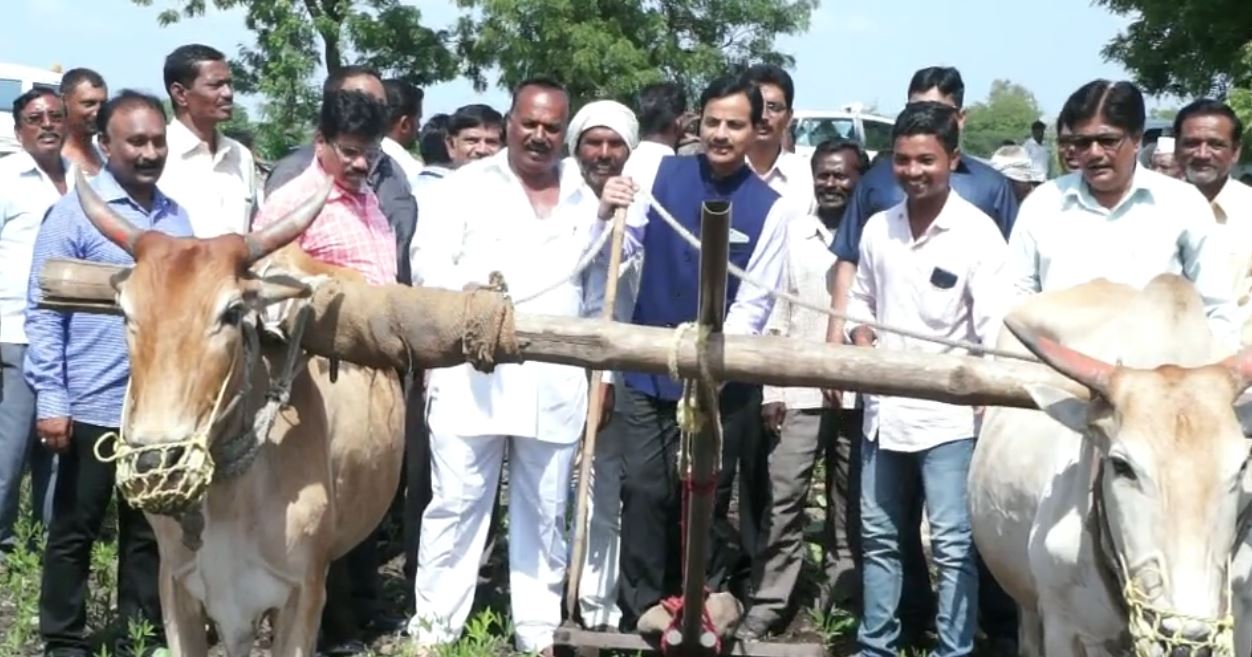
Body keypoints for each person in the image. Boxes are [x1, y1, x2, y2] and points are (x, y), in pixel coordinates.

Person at [409, 77, 608, 656]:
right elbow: (426, 262)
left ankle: (539, 632)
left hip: (556, 379)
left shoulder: (587, 192)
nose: (540, 137)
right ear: (510, 122)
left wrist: (605, 375)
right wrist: (462, 292)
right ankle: (434, 633)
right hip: (472, 375)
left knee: (546, 508)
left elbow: (601, 287)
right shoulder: (464, 186)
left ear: (563, 132)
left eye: (552, 127)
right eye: (530, 124)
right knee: (456, 503)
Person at [824, 65, 1019, 652]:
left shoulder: (979, 233)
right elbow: (860, 302)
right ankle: (876, 643)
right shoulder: (879, 228)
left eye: (926, 160)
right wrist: (861, 345)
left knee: (955, 544)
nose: (913, 172)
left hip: (953, 420)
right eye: (903, 160)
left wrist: (986, 411)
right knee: (880, 537)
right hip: (884, 412)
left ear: (952, 159)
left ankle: (953, 647)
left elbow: (992, 331)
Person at [597, 73, 793, 631]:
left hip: (720, 380)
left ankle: (700, 604)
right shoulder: (659, 173)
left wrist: (704, 370)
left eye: (735, 124)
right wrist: (606, 212)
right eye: (712, 122)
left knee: (703, 490)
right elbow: (623, 247)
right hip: (647, 366)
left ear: (758, 129)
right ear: (695, 124)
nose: (722, 134)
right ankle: (643, 610)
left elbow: (754, 304)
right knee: (643, 488)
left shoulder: (772, 208)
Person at [26, 89, 193, 657]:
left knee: (149, 531)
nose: (149, 152)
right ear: (106, 144)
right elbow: (44, 312)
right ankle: (63, 641)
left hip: (156, 411)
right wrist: (52, 398)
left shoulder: (177, 219)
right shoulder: (73, 214)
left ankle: (138, 636)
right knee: (74, 530)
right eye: (136, 141)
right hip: (91, 403)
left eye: (157, 141)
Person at [738, 138, 869, 640]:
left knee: (849, 500)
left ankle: (841, 599)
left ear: (860, 178)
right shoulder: (794, 234)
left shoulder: (873, 235)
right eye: (824, 174)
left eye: (843, 175)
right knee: (784, 496)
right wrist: (772, 388)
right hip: (798, 391)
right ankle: (772, 600)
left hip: (857, 394)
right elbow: (776, 311)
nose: (832, 184)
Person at [1008, 79, 1239, 347]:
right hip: (1059, 378)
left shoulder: (1182, 205)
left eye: (1108, 140)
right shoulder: (1043, 205)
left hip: (1155, 379)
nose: (1094, 153)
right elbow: (1015, 301)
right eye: (1082, 142)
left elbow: (1218, 310)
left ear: (1137, 138)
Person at [578, 82, 686, 632]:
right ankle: (568, 598)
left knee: (619, 484)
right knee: (565, 486)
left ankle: (604, 603)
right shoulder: (567, 200)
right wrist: (597, 215)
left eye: (612, 143)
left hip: (627, 365)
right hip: (569, 361)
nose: (603, 154)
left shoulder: (648, 184)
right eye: (591, 143)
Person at [266, 65, 416, 286]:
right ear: (320, 142)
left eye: (371, 153)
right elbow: (269, 277)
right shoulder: (290, 202)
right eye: (349, 152)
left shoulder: (370, 197)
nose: (362, 164)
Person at [0, 88, 69, 561]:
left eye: (54, 116)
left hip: (74, 337)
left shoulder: (87, 180)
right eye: (35, 117)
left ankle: (51, 546)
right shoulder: (6, 179)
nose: (46, 124)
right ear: (18, 128)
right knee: (12, 450)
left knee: (61, 454)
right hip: (16, 331)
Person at [157, 44, 257, 238]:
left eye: (229, 84)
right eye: (215, 85)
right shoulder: (157, 154)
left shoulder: (240, 156)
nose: (228, 93)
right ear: (180, 94)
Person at [1172, 98, 1252, 342]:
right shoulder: (1153, 208)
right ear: (1176, 148)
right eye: (1192, 143)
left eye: (1215, 145)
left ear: (1235, 151)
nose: (1202, 154)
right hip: (1165, 366)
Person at [742, 64, 814, 212]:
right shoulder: (722, 168)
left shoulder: (807, 176)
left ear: (789, 117)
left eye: (773, 107)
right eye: (756, 105)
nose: (763, 116)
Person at [58, 68, 107, 177]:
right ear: (63, 101)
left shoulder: (106, 157)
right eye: (89, 104)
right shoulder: (52, 160)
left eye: (102, 104)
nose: (97, 113)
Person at [381, 79, 424, 187]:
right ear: (405, 124)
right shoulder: (411, 170)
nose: (419, 126)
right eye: (418, 119)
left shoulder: (348, 158)